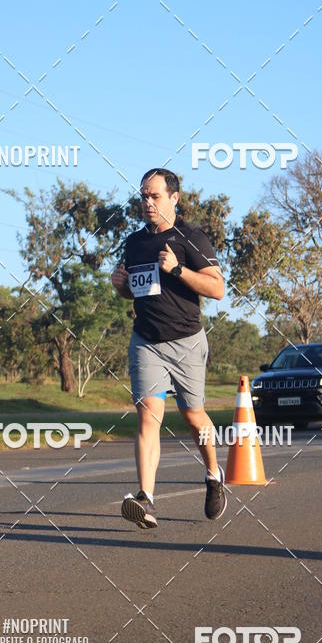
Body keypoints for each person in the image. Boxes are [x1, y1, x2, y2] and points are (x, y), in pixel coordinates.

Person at [111, 168, 227, 530]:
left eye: (154, 196)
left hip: (187, 342)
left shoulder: (192, 237)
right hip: (146, 341)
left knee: (194, 417)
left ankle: (212, 474)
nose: (147, 202)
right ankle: (146, 499)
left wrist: (178, 271)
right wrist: (122, 286)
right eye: (143, 196)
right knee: (148, 417)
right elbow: (137, 289)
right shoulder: (134, 243)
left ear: (174, 198)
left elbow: (217, 288)